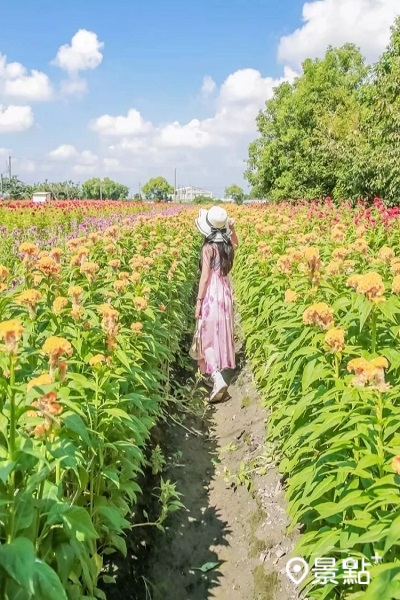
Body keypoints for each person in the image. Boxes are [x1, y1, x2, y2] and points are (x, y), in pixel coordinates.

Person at [194, 206, 239, 402]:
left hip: (211, 293)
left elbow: (204, 278)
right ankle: (217, 373)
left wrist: (198, 301)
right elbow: (236, 243)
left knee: (206, 335)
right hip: (225, 293)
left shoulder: (208, 248)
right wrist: (233, 229)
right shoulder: (227, 245)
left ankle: (216, 377)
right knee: (219, 333)